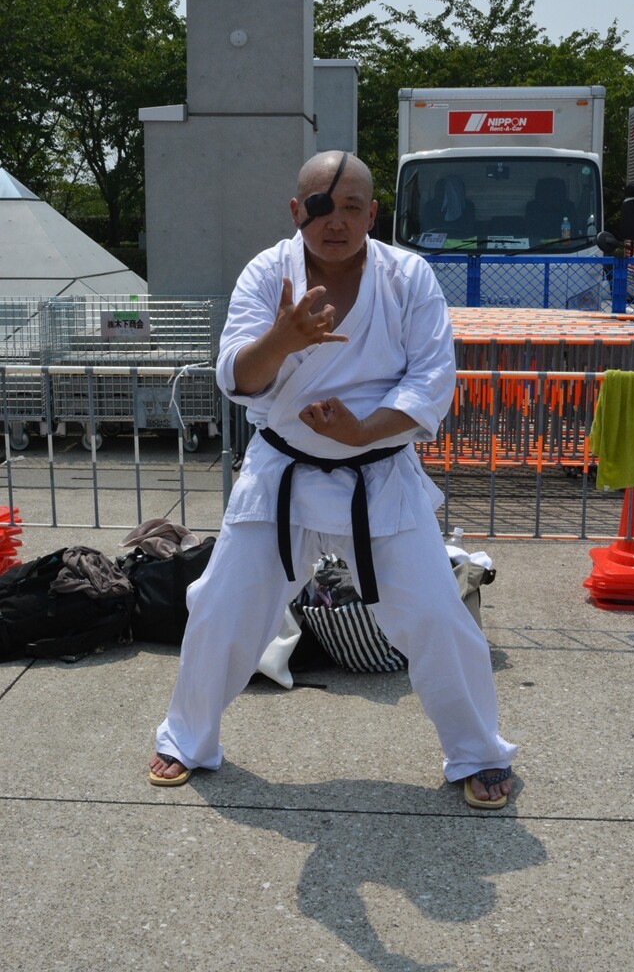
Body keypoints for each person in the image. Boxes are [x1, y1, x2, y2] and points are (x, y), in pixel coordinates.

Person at [149, 150, 517, 808]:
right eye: (321, 206)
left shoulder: (407, 277)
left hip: (378, 473)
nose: (336, 220)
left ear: (373, 214)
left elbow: (432, 381)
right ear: (297, 210)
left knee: (438, 616)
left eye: (352, 207)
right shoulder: (269, 273)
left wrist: (363, 431)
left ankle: (478, 751)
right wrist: (282, 341)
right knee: (221, 607)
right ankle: (187, 737)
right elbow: (236, 377)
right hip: (281, 471)